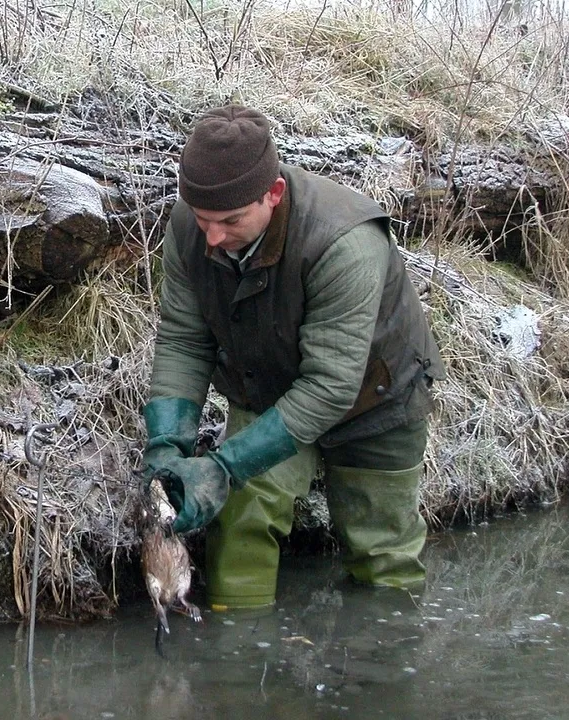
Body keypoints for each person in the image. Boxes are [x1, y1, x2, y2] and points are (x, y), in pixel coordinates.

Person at [142, 104, 444, 612]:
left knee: (383, 554)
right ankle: (235, 663)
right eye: (202, 219)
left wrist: (220, 466)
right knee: (240, 521)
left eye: (231, 221)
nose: (212, 237)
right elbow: (183, 338)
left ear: (273, 195)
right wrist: (166, 444)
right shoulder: (190, 228)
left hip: (377, 397)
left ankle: (386, 668)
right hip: (269, 387)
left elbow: (330, 387)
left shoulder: (344, 242)